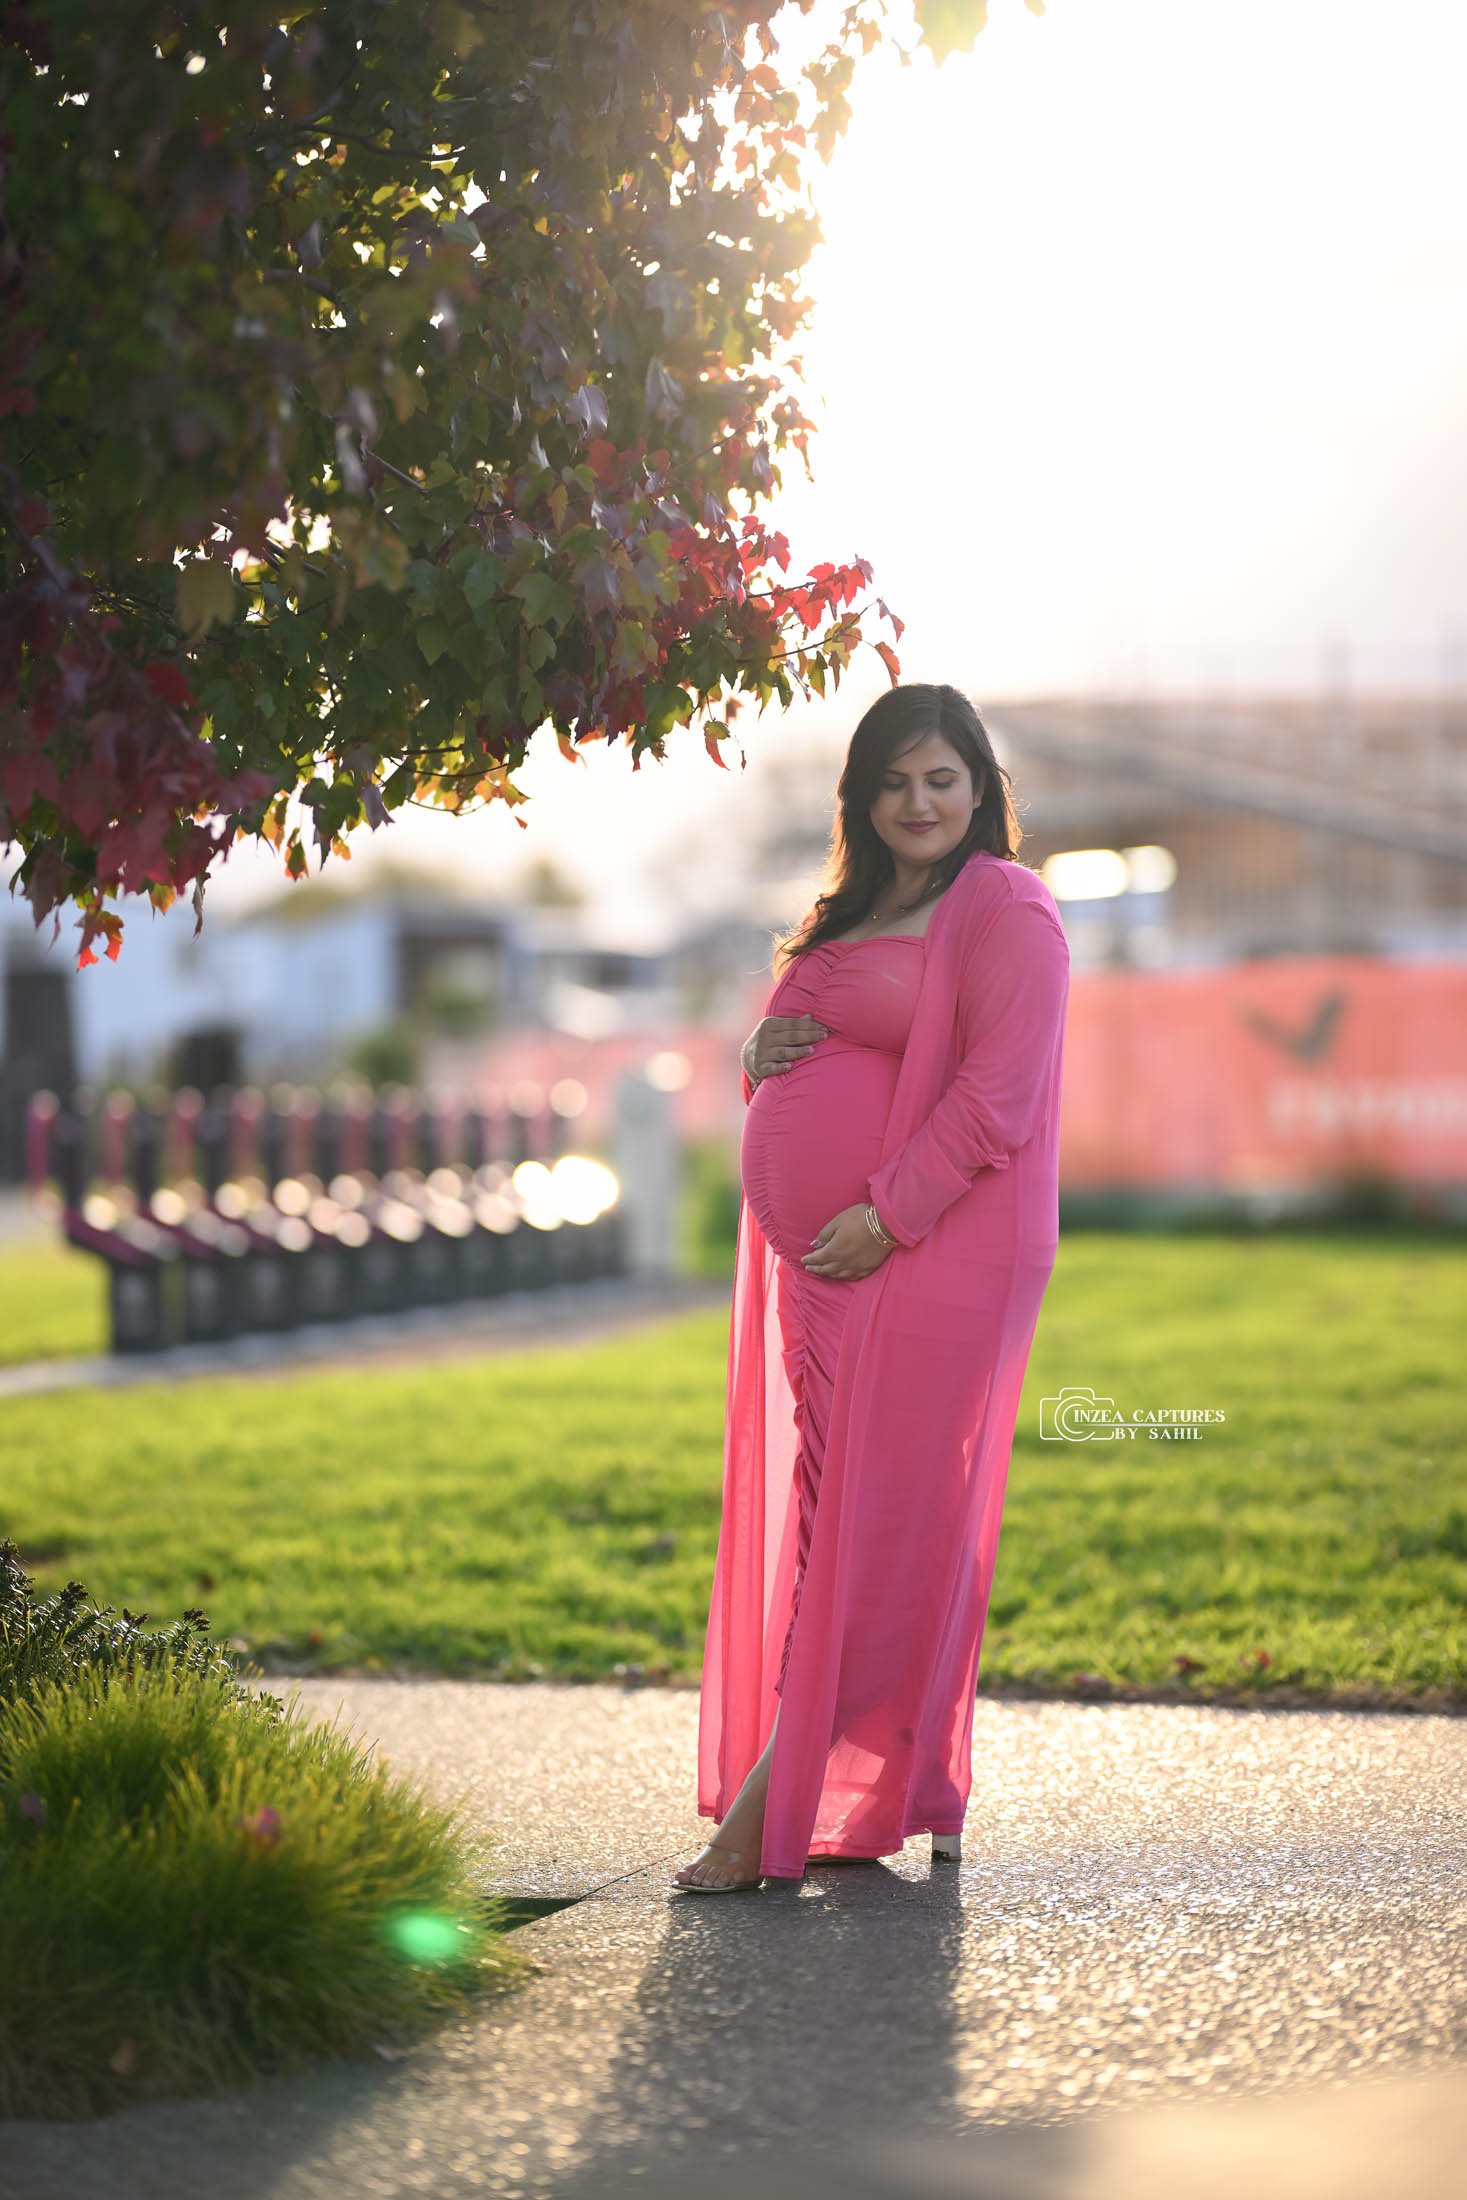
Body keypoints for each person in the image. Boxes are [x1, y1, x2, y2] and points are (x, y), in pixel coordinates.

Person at [671, 682, 1071, 1893]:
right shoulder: (850, 905)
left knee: (886, 1523)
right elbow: (815, 1051)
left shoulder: (1008, 907)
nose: (918, 801)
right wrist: (756, 1060)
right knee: (838, 1520)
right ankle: (910, 1785)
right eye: (893, 780)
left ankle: (769, 1809)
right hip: (831, 1268)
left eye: (940, 777)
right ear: (862, 794)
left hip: (931, 1249)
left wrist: (883, 1215)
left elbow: (998, 1096)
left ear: (981, 786)